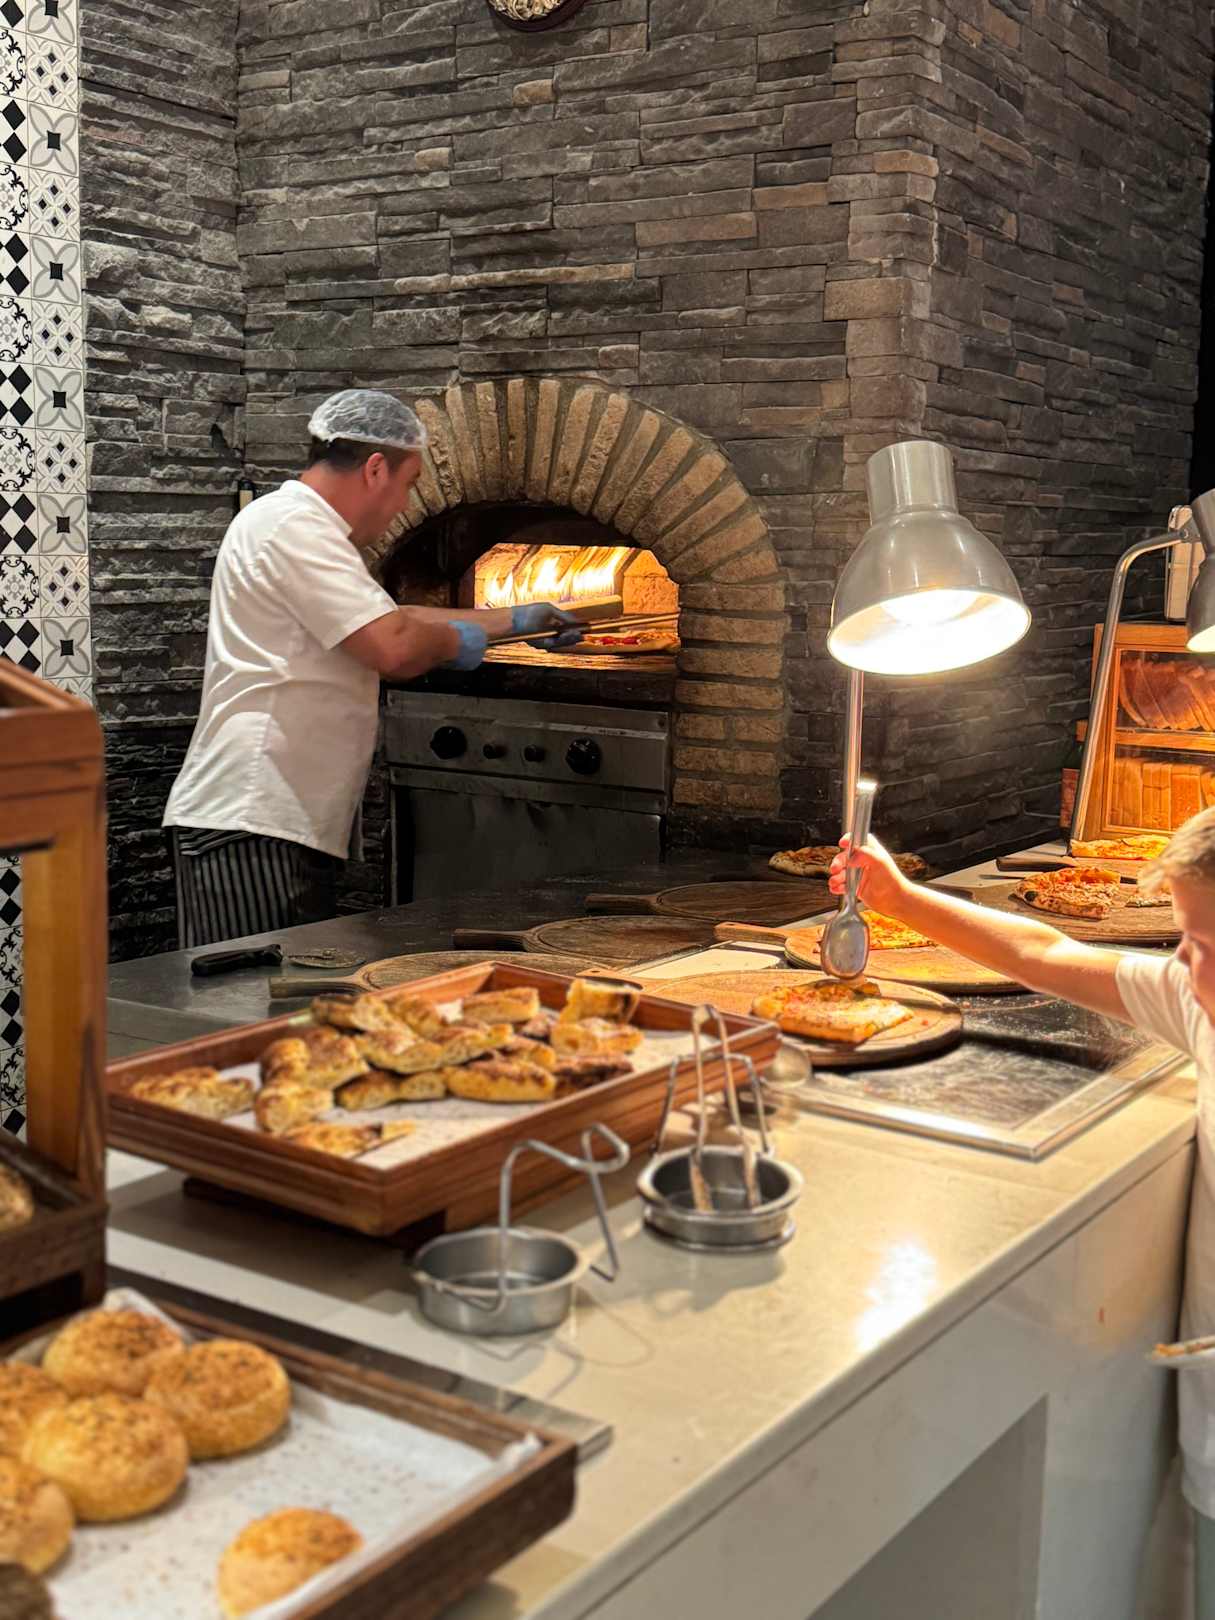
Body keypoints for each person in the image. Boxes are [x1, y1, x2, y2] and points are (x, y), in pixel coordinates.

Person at [829, 811, 1215, 1614]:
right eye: (1184, 939)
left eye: (1206, 946)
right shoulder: (1198, 1006)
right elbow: (1045, 954)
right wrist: (899, 899)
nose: (1185, 966)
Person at [163, 388, 580, 947]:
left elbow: (392, 619)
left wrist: (518, 619)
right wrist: (456, 642)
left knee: (283, 991)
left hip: (274, 819)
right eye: (408, 485)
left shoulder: (297, 525)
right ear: (376, 469)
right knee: (252, 994)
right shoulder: (293, 527)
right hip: (253, 816)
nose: (403, 505)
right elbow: (393, 646)